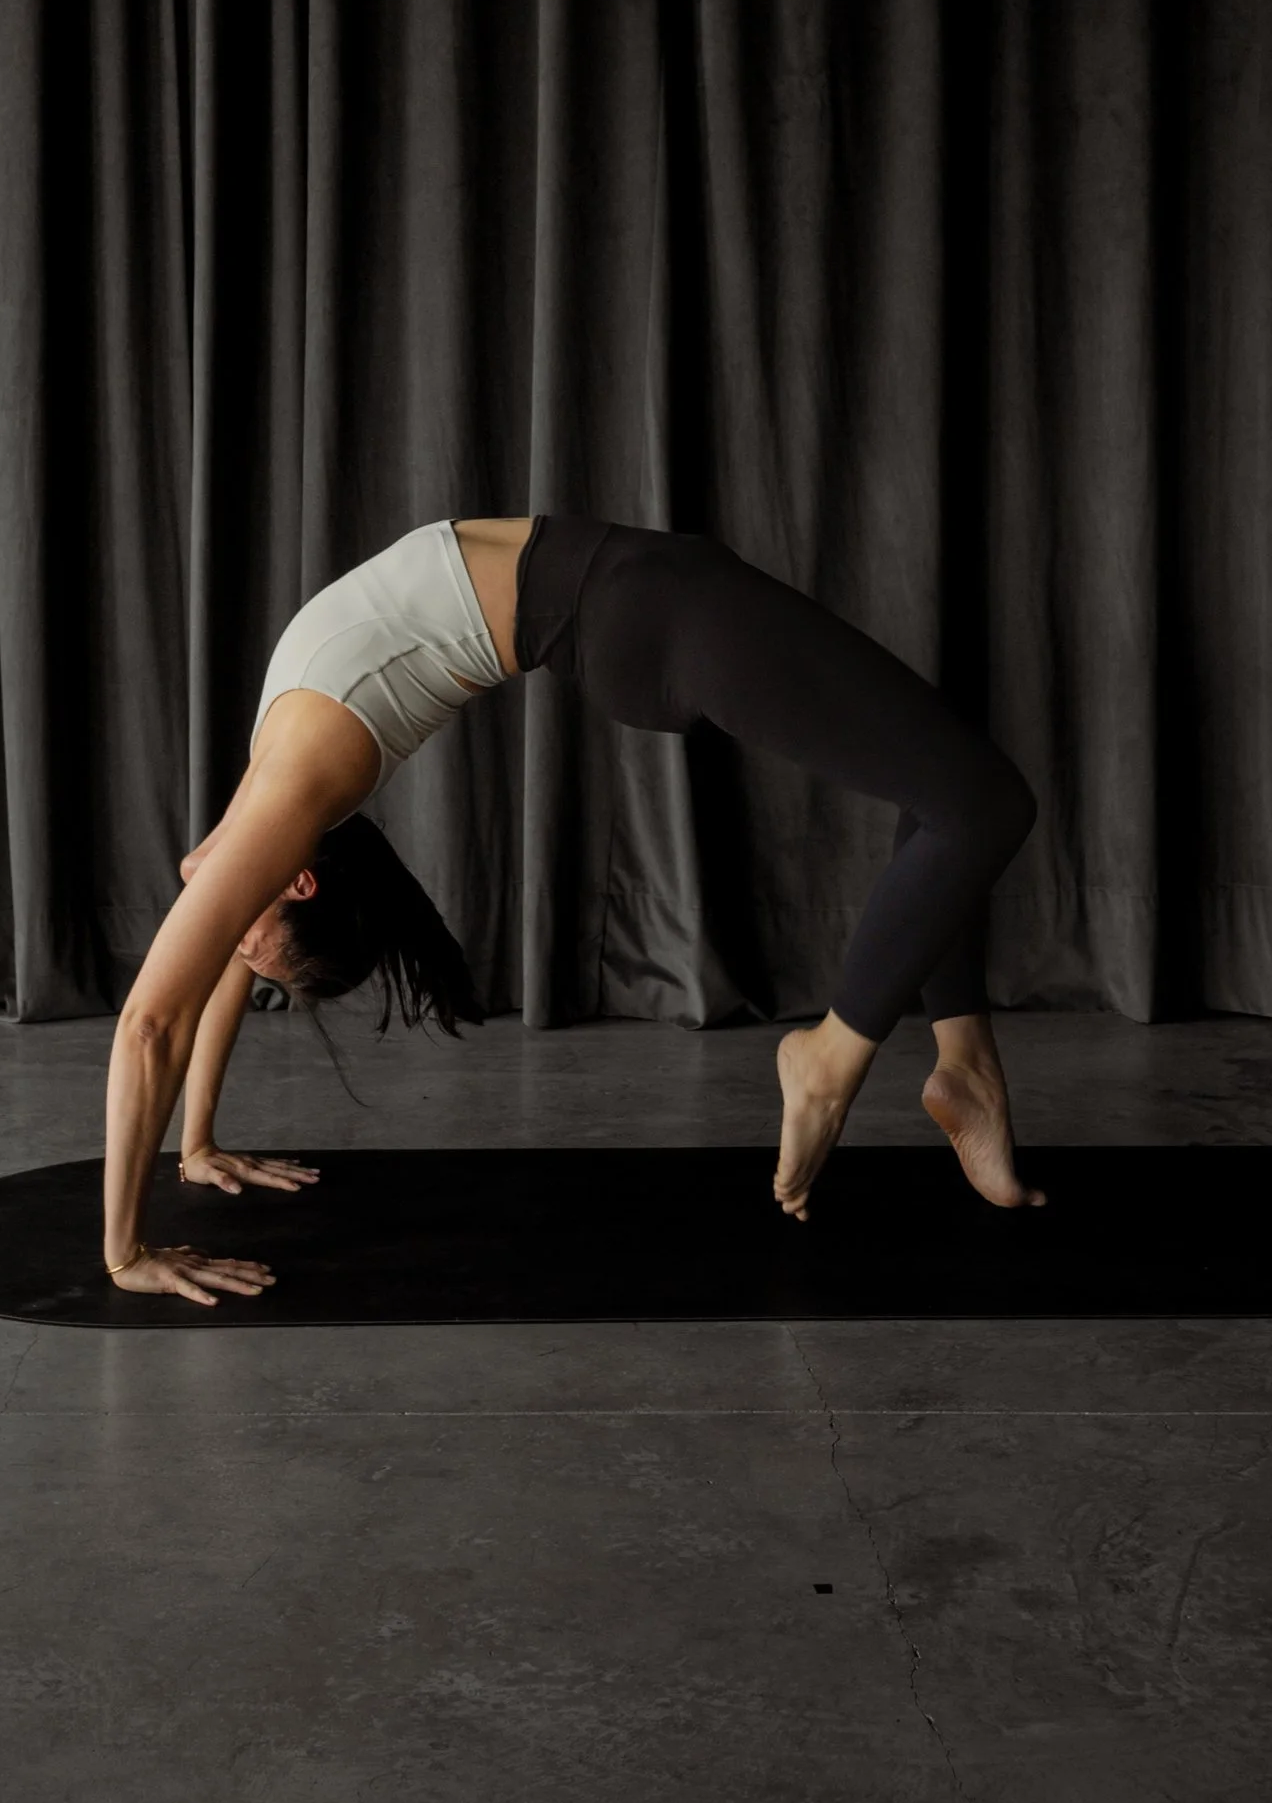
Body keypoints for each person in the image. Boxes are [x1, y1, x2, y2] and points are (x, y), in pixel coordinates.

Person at [99, 515, 1042, 1304]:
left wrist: (139, 1230)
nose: (234, 946)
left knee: (947, 792)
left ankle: (960, 1067)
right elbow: (203, 960)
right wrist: (183, 1164)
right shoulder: (290, 786)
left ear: (296, 884)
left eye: (256, 956)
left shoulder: (289, 791)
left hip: (643, 601)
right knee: (978, 801)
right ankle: (836, 1056)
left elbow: (154, 1019)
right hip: (648, 607)